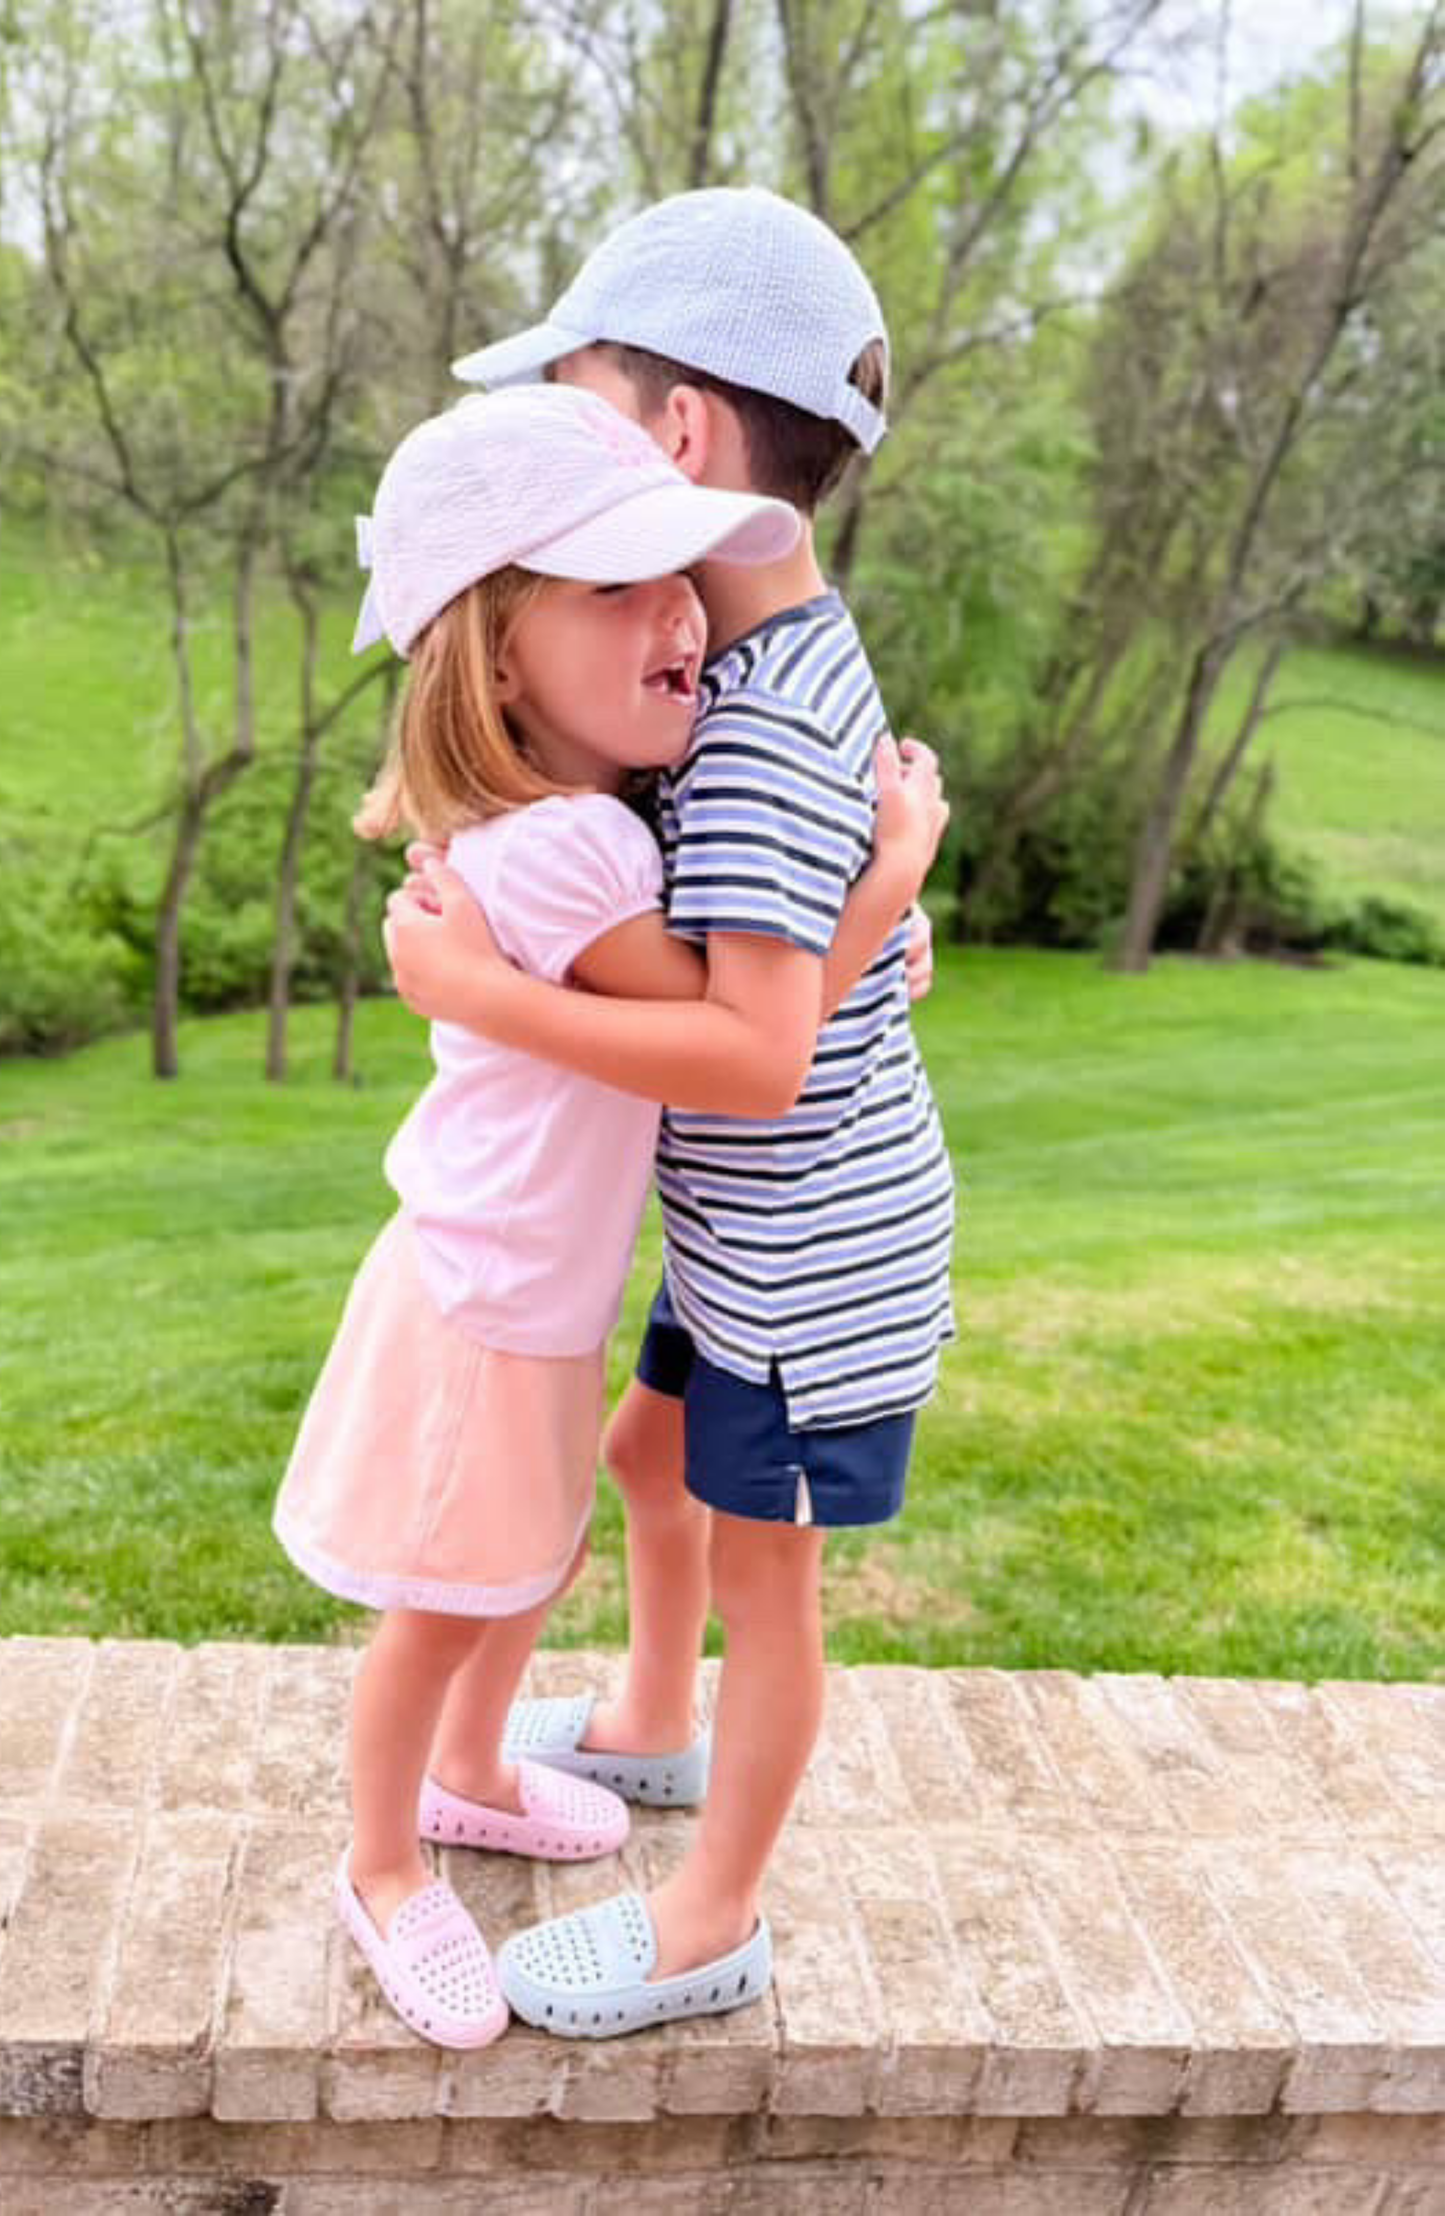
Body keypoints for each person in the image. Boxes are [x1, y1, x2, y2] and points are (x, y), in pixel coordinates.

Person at [383, 187, 955, 2040]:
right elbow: (774, 943)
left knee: (771, 1586)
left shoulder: (765, 720)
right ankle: (642, 1719)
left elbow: (753, 1053)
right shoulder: (754, 670)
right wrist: (876, 923)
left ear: (678, 441)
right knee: (646, 1461)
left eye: (575, 415)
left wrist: (485, 995)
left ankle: (711, 1918)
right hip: (742, 1230)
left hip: (806, 1259)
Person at [273, 380, 827, 2050]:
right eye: (619, 586)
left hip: (520, 1285)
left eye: (681, 578)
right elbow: (735, 1028)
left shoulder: (577, 824)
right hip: (483, 1298)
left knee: (528, 1555)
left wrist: (846, 937)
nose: (680, 616)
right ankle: (380, 1863)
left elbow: (723, 977)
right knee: (450, 1592)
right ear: (499, 652)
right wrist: (865, 906)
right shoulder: (573, 847)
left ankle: (468, 1772)